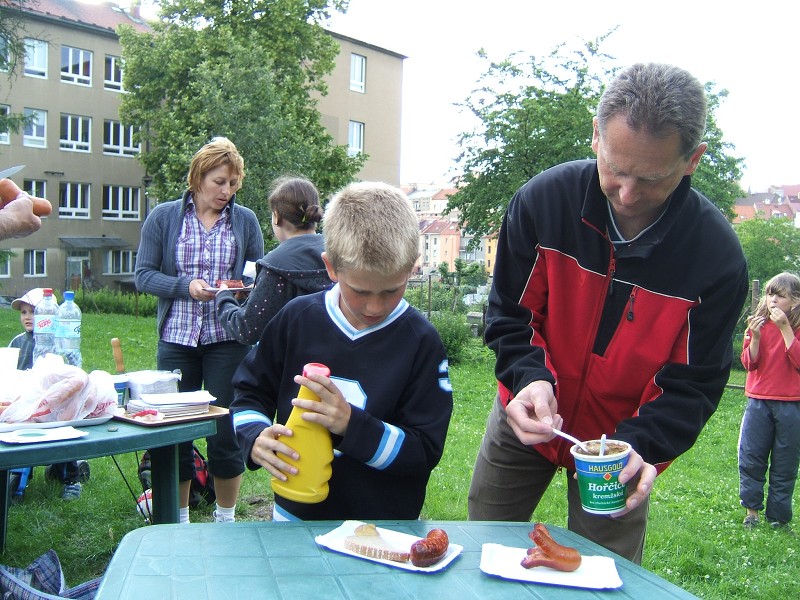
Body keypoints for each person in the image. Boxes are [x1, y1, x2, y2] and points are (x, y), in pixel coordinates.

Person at [467, 62, 749, 563]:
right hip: (527, 411)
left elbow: (695, 385)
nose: (627, 195)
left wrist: (642, 443)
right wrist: (527, 378)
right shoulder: (543, 201)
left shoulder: (716, 258)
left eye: (651, 178)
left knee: (604, 572)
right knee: (484, 547)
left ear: (693, 161)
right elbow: (509, 316)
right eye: (615, 170)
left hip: (624, 444)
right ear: (596, 135)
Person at [230, 181, 453, 521]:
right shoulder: (296, 319)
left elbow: (424, 452)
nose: (375, 306)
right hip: (294, 518)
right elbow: (249, 392)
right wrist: (255, 436)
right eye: (360, 291)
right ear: (331, 267)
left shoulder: (421, 343)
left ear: (412, 268)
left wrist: (351, 425)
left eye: (391, 290)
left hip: (382, 527)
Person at [135, 136, 264, 523]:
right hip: (176, 340)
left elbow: (257, 278)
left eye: (233, 183)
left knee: (224, 429)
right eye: (219, 182)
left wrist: (239, 291)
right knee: (178, 434)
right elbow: (143, 275)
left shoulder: (245, 221)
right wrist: (185, 287)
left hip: (227, 340)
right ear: (197, 178)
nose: (226, 191)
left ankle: (225, 518)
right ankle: (181, 519)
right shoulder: (164, 217)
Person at [216, 176, 332, 345]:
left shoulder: (276, 265)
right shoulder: (337, 253)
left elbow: (247, 330)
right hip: (332, 361)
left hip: (292, 363)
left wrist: (223, 297)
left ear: (276, 217)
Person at [8, 288, 90, 501]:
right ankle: (16, 479)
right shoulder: (17, 342)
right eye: (23, 312)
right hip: (25, 400)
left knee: (63, 431)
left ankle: (69, 477)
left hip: (53, 403)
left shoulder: (58, 343)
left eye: (33, 312)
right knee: (19, 437)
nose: (27, 317)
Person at [739, 272, 800, 531]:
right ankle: (751, 512)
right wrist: (756, 338)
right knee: (752, 456)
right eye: (769, 294)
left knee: (785, 461)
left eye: (780, 295)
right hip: (758, 401)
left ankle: (778, 517)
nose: (772, 300)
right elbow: (749, 363)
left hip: (791, 404)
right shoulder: (758, 325)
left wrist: (786, 328)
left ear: (795, 301)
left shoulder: (794, 327)